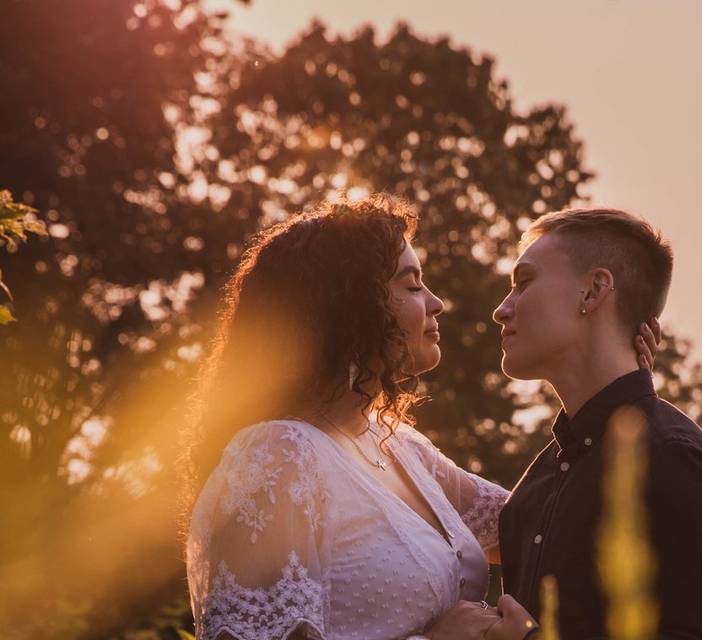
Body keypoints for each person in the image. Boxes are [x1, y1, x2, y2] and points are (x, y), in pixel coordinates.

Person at [181, 196, 659, 640]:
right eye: (411, 284)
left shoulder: (402, 449)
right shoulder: (277, 457)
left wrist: (617, 382)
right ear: (348, 306)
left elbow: (541, 523)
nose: (436, 302)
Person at [487, 208, 702, 639]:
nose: (501, 311)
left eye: (523, 283)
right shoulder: (533, 491)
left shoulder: (675, 462)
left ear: (594, 291)